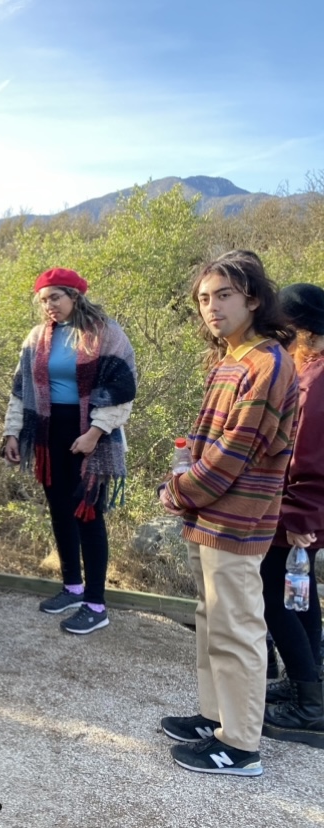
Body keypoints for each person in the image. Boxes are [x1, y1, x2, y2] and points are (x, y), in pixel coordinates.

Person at [158, 250, 298, 776]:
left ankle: (240, 746)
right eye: (203, 298)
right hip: (209, 517)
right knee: (211, 620)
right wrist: (184, 482)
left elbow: (232, 454)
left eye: (223, 296)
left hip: (238, 520)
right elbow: (201, 437)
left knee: (238, 627)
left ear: (254, 299)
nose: (211, 308)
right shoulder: (229, 358)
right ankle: (215, 718)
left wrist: (177, 492)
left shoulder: (267, 364)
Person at [2, 267, 136, 635]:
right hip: (48, 432)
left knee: (88, 514)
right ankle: (73, 588)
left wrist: (95, 432)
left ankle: (96, 603)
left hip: (92, 434)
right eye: (43, 300)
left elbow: (122, 387)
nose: (49, 307)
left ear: (75, 296)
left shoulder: (106, 333)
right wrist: (13, 433)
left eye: (55, 298)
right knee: (60, 512)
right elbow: (20, 388)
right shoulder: (37, 338)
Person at [258, 283, 324, 748]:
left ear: (303, 328)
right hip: (305, 507)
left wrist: (300, 515)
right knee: (301, 591)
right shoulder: (309, 368)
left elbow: (311, 456)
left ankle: (311, 704)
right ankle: (310, 680)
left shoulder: (317, 379)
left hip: (301, 508)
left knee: (274, 593)